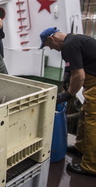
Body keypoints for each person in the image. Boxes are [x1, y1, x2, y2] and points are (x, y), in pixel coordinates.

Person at [39, 27, 96, 177]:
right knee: (84, 115)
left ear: (51, 39)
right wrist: (67, 76)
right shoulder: (74, 39)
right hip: (92, 85)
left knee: (92, 123)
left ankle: (91, 166)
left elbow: (80, 76)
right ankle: (81, 148)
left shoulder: (68, 46)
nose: (52, 49)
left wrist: (68, 94)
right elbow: (75, 65)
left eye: (49, 46)